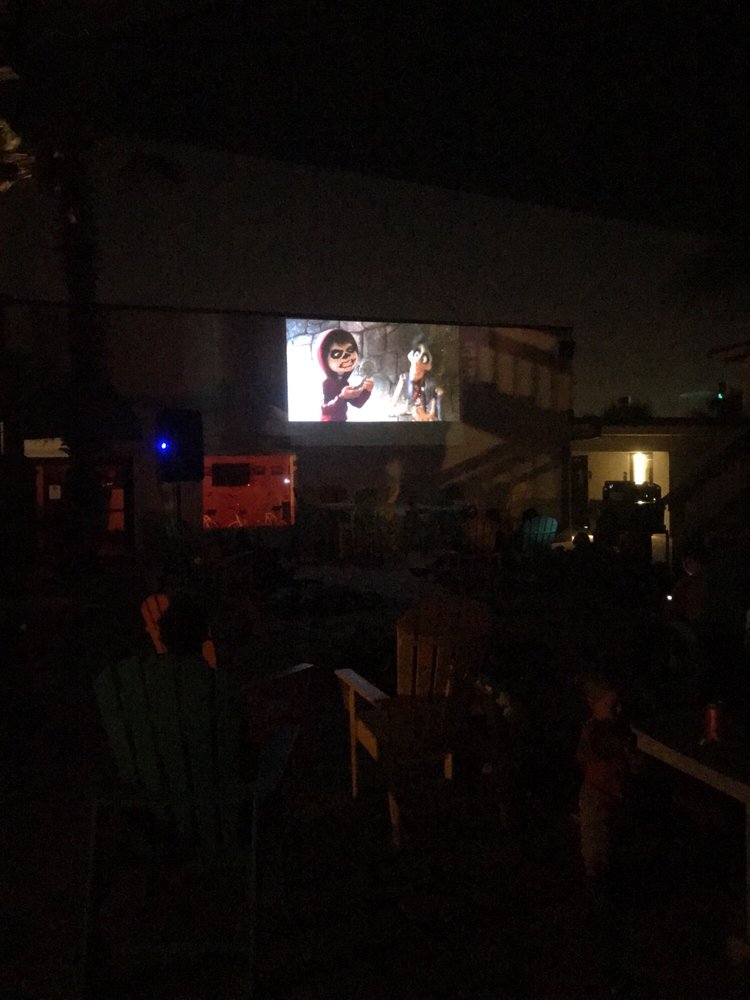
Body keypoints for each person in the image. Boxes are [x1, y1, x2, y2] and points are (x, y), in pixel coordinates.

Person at [576, 678, 636, 881]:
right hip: (596, 798)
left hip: (617, 797)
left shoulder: (622, 730)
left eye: (620, 704)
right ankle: (596, 888)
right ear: (592, 704)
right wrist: (620, 746)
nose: (618, 710)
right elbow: (599, 746)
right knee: (596, 851)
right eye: (611, 705)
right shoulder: (592, 730)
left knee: (617, 846)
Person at [316, 327, 373, 422]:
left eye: (350, 350)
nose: (347, 357)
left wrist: (367, 390)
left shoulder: (343, 382)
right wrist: (342, 397)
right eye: (337, 354)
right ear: (323, 358)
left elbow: (357, 403)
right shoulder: (324, 383)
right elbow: (325, 409)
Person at [391, 336, 444, 421]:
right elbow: (394, 400)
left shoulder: (430, 384)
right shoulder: (405, 378)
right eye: (416, 354)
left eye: (423, 358)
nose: (417, 361)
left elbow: (434, 410)